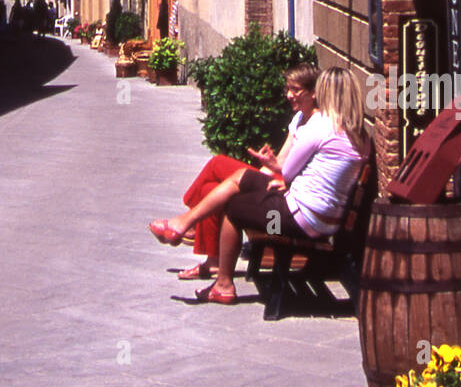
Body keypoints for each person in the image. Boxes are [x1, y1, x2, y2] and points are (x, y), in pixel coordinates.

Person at [148, 66, 368, 304]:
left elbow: (289, 170)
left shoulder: (321, 126)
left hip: (300, 218)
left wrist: (276, 168)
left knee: (233, 207)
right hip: (320, 219)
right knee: (238, 178)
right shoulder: (361, 135)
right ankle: (187, 225)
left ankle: (220, 279)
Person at [163, 65, 318, 281]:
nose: (289, 95)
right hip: (275, 179)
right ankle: (211, 260)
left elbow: (301, 172)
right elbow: (282, 160)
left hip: (285, 191)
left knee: (218, 163)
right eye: (288, 89)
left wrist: (269, 175)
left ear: (314, 92)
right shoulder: (299, 119)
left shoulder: (317, 127)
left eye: (296, 90)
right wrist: (263, 169)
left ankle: (191, 221)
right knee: (211, 188)